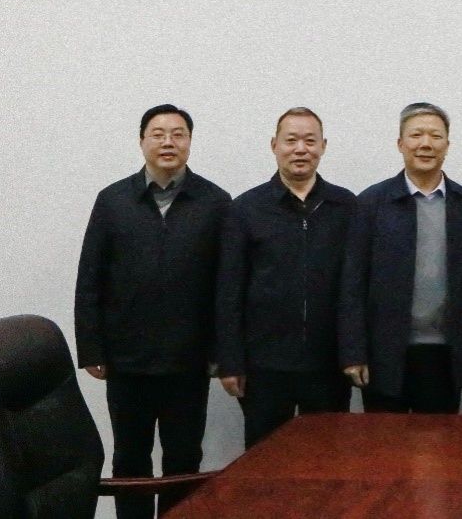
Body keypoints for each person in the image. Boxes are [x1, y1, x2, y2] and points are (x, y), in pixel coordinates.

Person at [74, 104, 230, 519]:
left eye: (178, 134)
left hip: (189, 360)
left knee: (184, 459)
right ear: (142, 141)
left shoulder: (215, 203)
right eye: (158, 134)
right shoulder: (112, 201)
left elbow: (226, 286)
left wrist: (222, 350)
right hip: (127, 359)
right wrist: (91, 348)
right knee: (130, 458)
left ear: (190, 142)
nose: (168, 142)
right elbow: (90, 277)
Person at [215, 107, 356, 447]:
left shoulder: (347, 207)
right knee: (264, 459)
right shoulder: (245, 209)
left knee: (326, 458)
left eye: (310, 141)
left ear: (323, 146)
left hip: (328, 364)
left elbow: (355, 289)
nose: (300, 149)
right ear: (274, 145)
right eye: (291, 140)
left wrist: (355, 352)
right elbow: (229, 291)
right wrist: (230, 361)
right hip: (264, 366)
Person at [338, 102, 462, 413]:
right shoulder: (372, 203)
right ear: (400, 143)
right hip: (384, 353)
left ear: (447, 145)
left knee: (440, 441)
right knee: (385, 441)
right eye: (416, 135)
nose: (425, 144)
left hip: (445, 354)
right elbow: (352, 284)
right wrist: (353, 352)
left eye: (435, 136)